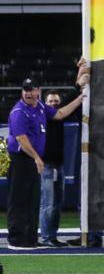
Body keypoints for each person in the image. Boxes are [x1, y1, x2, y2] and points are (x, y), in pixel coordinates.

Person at [6, 75, 85, 250]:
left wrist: (80, 99)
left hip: (33, 160)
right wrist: (36, 158)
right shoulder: (19, 111)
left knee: (33, 201)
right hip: (22, 159)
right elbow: (21, 138)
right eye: (25, 90)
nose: (28, 94)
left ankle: (31, 238)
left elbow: (60, 114)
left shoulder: (41, 106)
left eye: (31, 90)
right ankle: (16, 240)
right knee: (19, 201)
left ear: (38, 91)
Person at [38, 92, 68, 247]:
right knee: (47, 203)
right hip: (47, 165)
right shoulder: (44, 116)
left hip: (59, 165)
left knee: (57, 203)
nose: (53, 104)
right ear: (45, 103)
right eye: (50, 101)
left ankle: (52, 236)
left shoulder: (61, 118)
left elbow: (70, 105)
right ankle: (45, 237)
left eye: (56, 102)